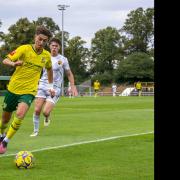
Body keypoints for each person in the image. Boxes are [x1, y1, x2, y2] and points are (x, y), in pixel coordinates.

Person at [0, 26, 55, 154]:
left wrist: (51, 86)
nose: (41, 43)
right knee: (5, 120)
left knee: (20, 114)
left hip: (29, 91)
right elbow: (5, 60)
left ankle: (5, 142)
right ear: (35, 37)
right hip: (13, 89)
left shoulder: (46, 56)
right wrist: (13, 64)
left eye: (44, 41)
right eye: (40, 39)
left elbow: (49, 69)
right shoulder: (24, 49)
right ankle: (2, 134)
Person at [30, 38, 78, 137]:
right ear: (49, 46)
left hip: (55, 88)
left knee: (45, 112)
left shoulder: (63, 60)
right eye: (53, 45)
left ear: (59, 47)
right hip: (42, 86)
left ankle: (47, 117)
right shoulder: (44, 56)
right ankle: (35, 131)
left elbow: (69, 74)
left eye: (56, 46)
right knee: (37, 110)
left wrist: (73, 86)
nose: (54, 48)